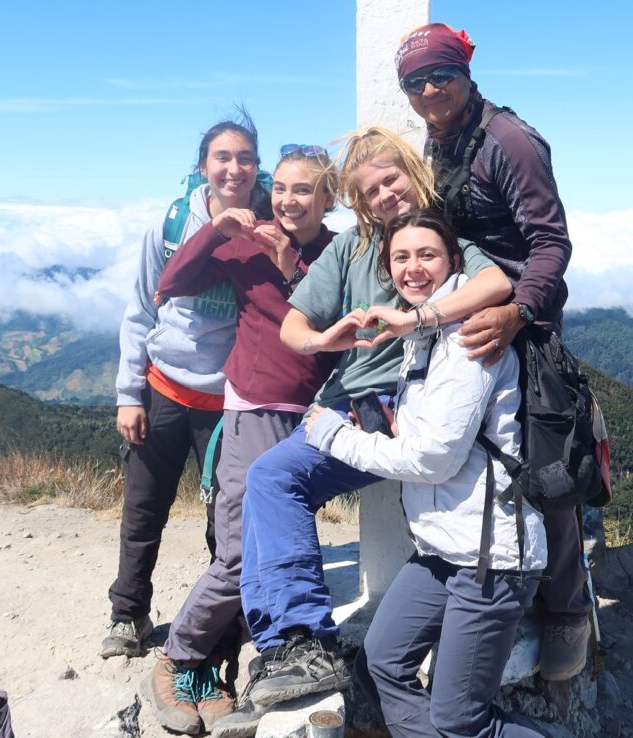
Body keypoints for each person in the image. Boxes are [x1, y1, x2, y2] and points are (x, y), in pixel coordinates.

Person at [215, 127, 511, 733]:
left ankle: (300, 642)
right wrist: (323, 340)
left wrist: (416, 318)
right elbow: (295, 323)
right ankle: (297, 642)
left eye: (390, 180)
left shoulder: (440, 237)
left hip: (399, 404)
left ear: (412, 173)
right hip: (346, 401)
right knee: (271, 480)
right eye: (368, 190)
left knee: (274, 477)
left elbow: (496, 284)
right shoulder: (350, 249)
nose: (381, 196)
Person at [395, 23, 593, 681]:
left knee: (540, 466)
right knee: (486, 464)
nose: (429, 89)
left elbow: (551, 244)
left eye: (440, 75)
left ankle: (566, 614)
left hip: (522, 327)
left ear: (465, 73)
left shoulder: (508, 141)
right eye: (415, 81)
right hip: (467, 325)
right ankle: (488, 586)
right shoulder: (442, 138)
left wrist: (519, 312)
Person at [306, 210, 544, 737]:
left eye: (427, 255)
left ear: (454, 263)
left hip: (491, 558)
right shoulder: (425, 333)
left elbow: (435, 458)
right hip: (442, 548)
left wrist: (333, 436)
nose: (413, 268)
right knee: (380, 662)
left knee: (462, 720)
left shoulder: (468, 337)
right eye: (401, 258)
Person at [138, 138, 340, 734]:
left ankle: (260, 653)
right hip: (253, 410)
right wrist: (215, 228)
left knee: (275, 542)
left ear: (329, 198)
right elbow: (171, 283)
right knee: (236, 552)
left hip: (313, 416)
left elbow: (339, 322)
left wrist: (291, 272)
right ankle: (177, 658)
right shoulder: (243, 242)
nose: (287, 199)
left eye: (303, 189)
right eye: (280, 187)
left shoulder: (338, 253)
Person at [105, 112, 270, 662]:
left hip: (230, 400)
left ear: (256, 166)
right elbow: (140, 308)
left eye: (245, 158)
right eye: (222, 157)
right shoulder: (173, 224)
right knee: (144, 509)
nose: (234, 168)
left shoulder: (270, 223)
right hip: (164, 386)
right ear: (202, 167)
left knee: (225, 519)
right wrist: (129, 393)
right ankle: (128, 614)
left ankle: (221, 620)